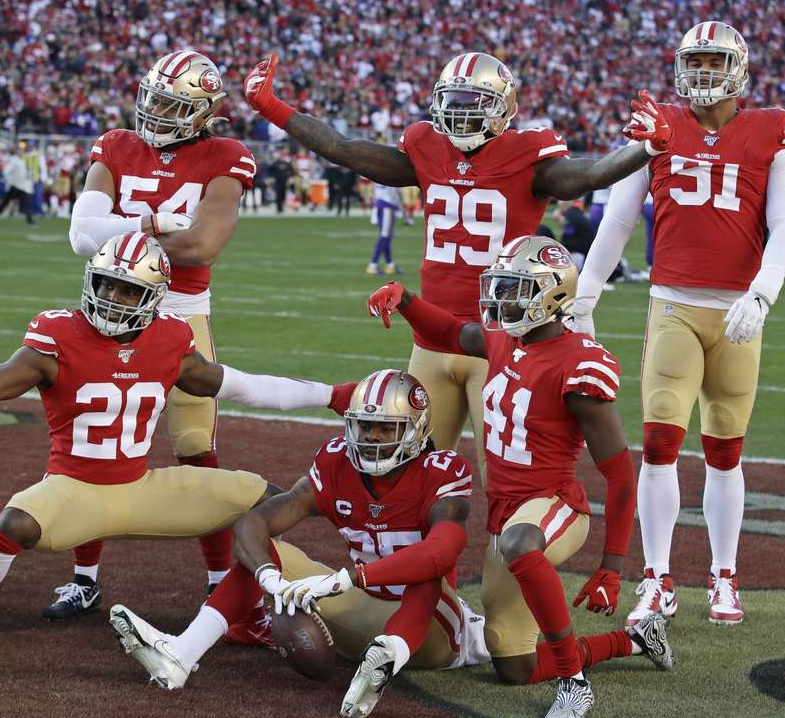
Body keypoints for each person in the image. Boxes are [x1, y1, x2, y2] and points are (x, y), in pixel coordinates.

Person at [0, 232, 356, 679]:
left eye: (127, 289)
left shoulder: (170, 338)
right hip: (75, 490)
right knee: (13, 525)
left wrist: (331, 395)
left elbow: (244, 386)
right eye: (106, 283)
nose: (112, 296)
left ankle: (243, 615)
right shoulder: (57, 336)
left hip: (142, 487)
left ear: (153, 296)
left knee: (265, 502)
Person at [244, 51, 671, 474]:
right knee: (411, 472)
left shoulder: (528, 155)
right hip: (433, 337)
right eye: (453, 100)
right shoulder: (426, 146)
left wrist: (644, 149)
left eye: (474, 102)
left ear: (504, 107)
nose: (460, 113)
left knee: (505, 476)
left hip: (501, 341)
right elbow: (343, 149)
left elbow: (591, 173)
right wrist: (271, 106)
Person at [366, 237, 673, 718]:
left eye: (514, 289)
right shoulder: (503, 339)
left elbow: (619, 474)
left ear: (552, 294)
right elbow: (451, 332)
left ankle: (574, 682)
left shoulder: (578, 363)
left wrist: (612, 568)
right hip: (507, 511)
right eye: (500, 287)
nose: (501, 299)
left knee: (519, 542)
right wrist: (406, 301)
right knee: (513, 664)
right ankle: (636, 640)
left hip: (555, 504)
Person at [570, 21, 785, 628]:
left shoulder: (770, 128)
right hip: (673, 303)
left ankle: (724, 576)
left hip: (737, 311)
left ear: (738, 68)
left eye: (713, 62)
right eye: (694, 62)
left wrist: (763, 292)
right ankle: (657, 578)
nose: (702, 73)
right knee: (659, 446)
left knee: (725, 451)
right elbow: (619, 219)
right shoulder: (661, 124)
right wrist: (587, 291)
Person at [111, 370, 492, 718]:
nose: (372, 438)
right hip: (364, 608)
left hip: (431, 634)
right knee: (269, 553)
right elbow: (254, 524)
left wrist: (347, 579)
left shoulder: (442, 470)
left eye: (385, 428)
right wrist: (268, 577)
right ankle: (181, 654)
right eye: (364, 426)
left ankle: (389, 654)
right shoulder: (337, 463)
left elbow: (441, 551)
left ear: (416, 430)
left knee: (424, 573)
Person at [64, 50, 262, 633]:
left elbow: (202, 247)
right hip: (108, 307)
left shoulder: (226, 154)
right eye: (153, 98)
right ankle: (83, 579)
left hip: (179, 313)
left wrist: (119, 235)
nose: (155, 112)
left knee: (195, 445)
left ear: (202, 113)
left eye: (172, 104)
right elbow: (79, 234)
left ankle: (219, 583)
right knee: (93, 442)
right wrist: (152, 224)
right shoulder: (116, 144)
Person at [0, 147, 35, 225]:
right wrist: (11, 181)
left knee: (26, 202)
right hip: (14, 186)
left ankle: (30, 220)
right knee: (5, 202)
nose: (21, 153)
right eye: (20, 151)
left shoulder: (21, 160)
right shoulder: (14, 160)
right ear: (16, 152)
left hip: (21, 186)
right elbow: (6, 171)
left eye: (22, 151)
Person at [366, 182, 402, 275]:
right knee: (385, 236)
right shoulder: (390, 174)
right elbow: (393, 192)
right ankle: (373, 265)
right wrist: (402, 210)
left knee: (387, 236)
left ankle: (390, 265)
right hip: (387, 205)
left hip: (381, 204)